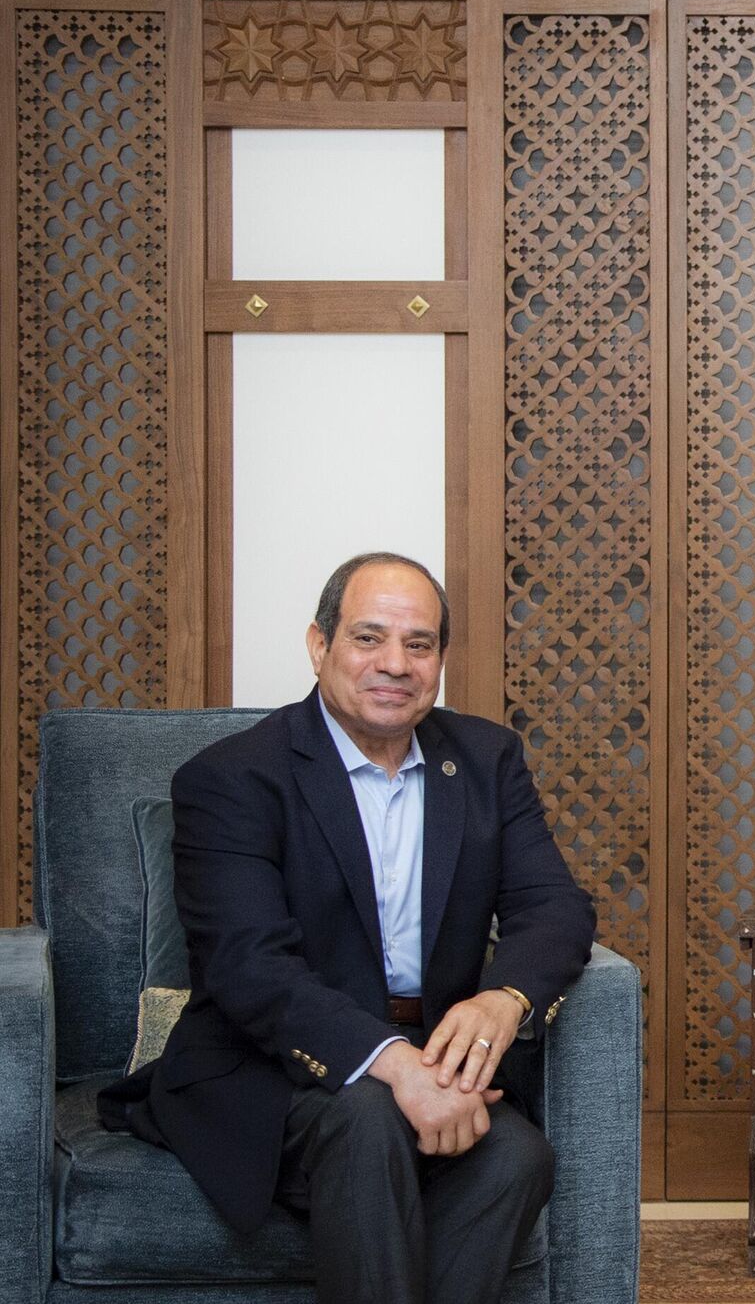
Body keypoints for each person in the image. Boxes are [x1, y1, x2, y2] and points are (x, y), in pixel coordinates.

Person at [101, 552, 596, 1304]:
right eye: (369, 638)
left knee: (516, 1156)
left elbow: (556, 906)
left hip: (433, 1053)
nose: (395, 663)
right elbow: (248, 966)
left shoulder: (486, 759)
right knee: (370, 1120)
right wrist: (396, 1067)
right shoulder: (233, 778)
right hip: (266, 1067)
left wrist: (505, 999)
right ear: (318, 645)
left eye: (419, 644)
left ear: (440, 660)